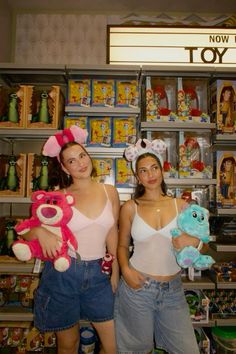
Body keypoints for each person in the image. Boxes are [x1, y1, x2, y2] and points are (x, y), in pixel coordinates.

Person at [19, 126, 120, 354]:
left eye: (82, 155)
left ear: (88, 155)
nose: (81, 163)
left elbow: (112, 230)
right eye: (72, 161)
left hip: (99, 273)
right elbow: (25, 231)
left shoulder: (109, 192)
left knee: (112, 346)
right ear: (64, 167)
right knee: (68, 345)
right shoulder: (58, 196)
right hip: (63, 273)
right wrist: (41, 233)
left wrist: (115, 269)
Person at [114, 138, 209, 354]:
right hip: (137, 290)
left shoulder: (181, 205)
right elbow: (121, 246)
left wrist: (194, 241)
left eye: (154, 167)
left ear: (162, 170)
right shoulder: (130, 207)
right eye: (144, 171)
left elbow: (201, 241)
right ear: (138, 177)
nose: (151, 174)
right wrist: (126, 271)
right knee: (134, 350)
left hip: (172, 292)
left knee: (187, 350)